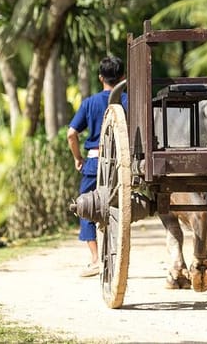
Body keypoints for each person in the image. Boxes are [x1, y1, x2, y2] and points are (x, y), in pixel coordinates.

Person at [67, 56, 127, 277]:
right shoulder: (128, 101)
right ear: (122, 78)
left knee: (85, 206)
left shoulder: (89, 103)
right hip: (123, 166)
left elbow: (71, 134)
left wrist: (77, 158)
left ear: (100, 77)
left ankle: (94, 259)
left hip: (94, 163)